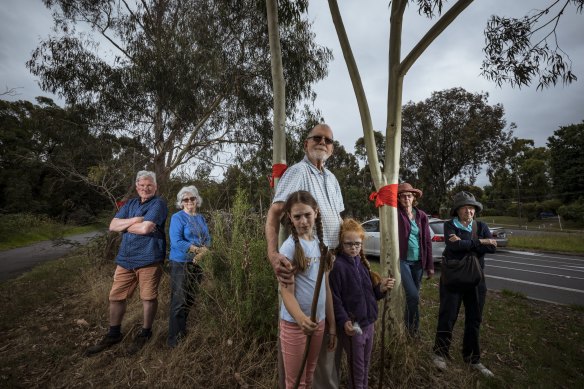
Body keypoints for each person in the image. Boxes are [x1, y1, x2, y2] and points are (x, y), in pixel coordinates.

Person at [266, 123, 344, 388]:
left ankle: (321, 384)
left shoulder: (331, 179)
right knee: (300, 332)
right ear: (305, 144)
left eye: (328, 140)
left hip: (328, 256)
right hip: (303, 258)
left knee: (324, 329)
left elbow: (337, 218)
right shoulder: (298, 172)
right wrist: (273, 253)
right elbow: (274, 213)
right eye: (317, 138)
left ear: (332, 148)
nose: (323, 142)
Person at [86, 171, 168, 356]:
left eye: (149, 185)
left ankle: (145, 333)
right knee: (115, 297)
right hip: (125, 258)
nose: (145, 188)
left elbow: (146, 228)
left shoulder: (159, 203)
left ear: (155, 187)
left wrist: (126, 226)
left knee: (147, 297)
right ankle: (114, 334)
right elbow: (113, 225)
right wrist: (135, 221)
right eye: (142, 185)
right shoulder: (130, 203)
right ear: (137, 187)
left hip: (149, 258)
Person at [432, 191, 496, 378]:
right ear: (457, 210)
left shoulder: (481, 225)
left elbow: (491, 247)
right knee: (448, 315)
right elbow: (453, 246)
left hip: (476, 279)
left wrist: (468, 242)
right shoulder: (449, 225)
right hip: (453, 278)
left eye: (472, 208)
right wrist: (480, 242)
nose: (469, 211)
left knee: (474, 319)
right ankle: (440, 353)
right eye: (465, 208)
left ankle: (473, 358)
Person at [278, 191, 336, 388]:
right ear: (290, 218)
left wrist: (332, 324)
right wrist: (302, 319)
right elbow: (285, 292)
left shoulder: (321, 246)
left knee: (309, 375)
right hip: (295, 325)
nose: (303, 221)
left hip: (318, 323)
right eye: (297, 216)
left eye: (307, 215)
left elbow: (326, 288)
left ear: (316, 213)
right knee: (295, 382)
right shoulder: (289, 249)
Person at [329, 219, 395, 389]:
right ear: (341, 244)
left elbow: (370, 295)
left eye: (357, 244)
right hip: (354, 327)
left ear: (362, 243)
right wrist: (344, 321)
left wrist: (381, 288)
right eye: (348, 244)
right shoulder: (338, 267)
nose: (353, 248)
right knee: (357, 370)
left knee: (365, 365)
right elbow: (335, 299)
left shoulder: (363, 265)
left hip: (369, 325)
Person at [167, 185, 211, 348]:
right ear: (181, 202)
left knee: (190, 299)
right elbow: (177, 241)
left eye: (192, 198)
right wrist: (198, 250)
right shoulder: (177, 218)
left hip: (198, 263)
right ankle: (174, 340)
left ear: (197, 200)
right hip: (181, 262)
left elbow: (208, 238)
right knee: (179, 300)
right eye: (186, 199)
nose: (189, 201)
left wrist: (204, 252)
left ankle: (181, 330)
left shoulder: (200, 218)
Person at [397, 183, 434, 336]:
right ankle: (413, 330)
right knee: (412, 295)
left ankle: (409, 329)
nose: (407, 198)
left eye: (409, 196)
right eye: (403, 196)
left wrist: (430, 265)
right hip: (403, 260)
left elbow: (427, 240)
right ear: (398, 199)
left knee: (413, 299)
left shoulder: (421, 215)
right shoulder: (396, 214)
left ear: (414, 198)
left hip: (418, 261)